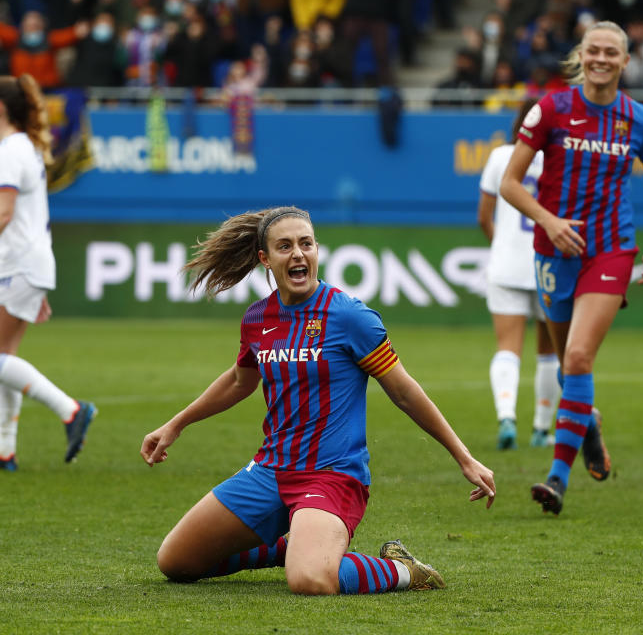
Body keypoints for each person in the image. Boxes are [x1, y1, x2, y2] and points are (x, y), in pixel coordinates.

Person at [140, 207, 496, 596]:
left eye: (306, 244)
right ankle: (294, 548)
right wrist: (177, 423)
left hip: (331, 476)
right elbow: (239, 381)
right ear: (265, 258)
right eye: (285, 246)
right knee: (175, 562)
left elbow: (405, 391)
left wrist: (464, 456)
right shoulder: (258, 319)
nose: (298, 254)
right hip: (270, 471)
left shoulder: (350, 317)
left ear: (317, 250)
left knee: (311, 580)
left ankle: (401, 569)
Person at [500, 21, 643, 515]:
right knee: (563, 361)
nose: (600, 58)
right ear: (581, 55)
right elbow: (512, 184)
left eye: (610, 52)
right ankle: (587, 419)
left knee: (576, 358)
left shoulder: (640, 121)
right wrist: (549, 222)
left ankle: (556, 479)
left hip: (610, 251)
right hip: (553, 250)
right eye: (592, 50)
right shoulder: (550, 108)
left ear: (624, 60)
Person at [0, 73, 96, 472]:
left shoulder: (10, 152)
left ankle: (71, 410)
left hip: (15, 264)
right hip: (25, 264)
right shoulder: (23, 148)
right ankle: (3, 450)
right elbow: (29, 217)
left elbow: (4, 214)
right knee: (2, 356)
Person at [477, 99, 560, 450]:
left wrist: (500, 246)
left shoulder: (500, 156)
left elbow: (484, 216)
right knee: (549, 352)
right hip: (550, 264)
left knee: (508, 348)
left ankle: (507, 416)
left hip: (507, 265)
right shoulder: (559, 158)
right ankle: (541, 428)